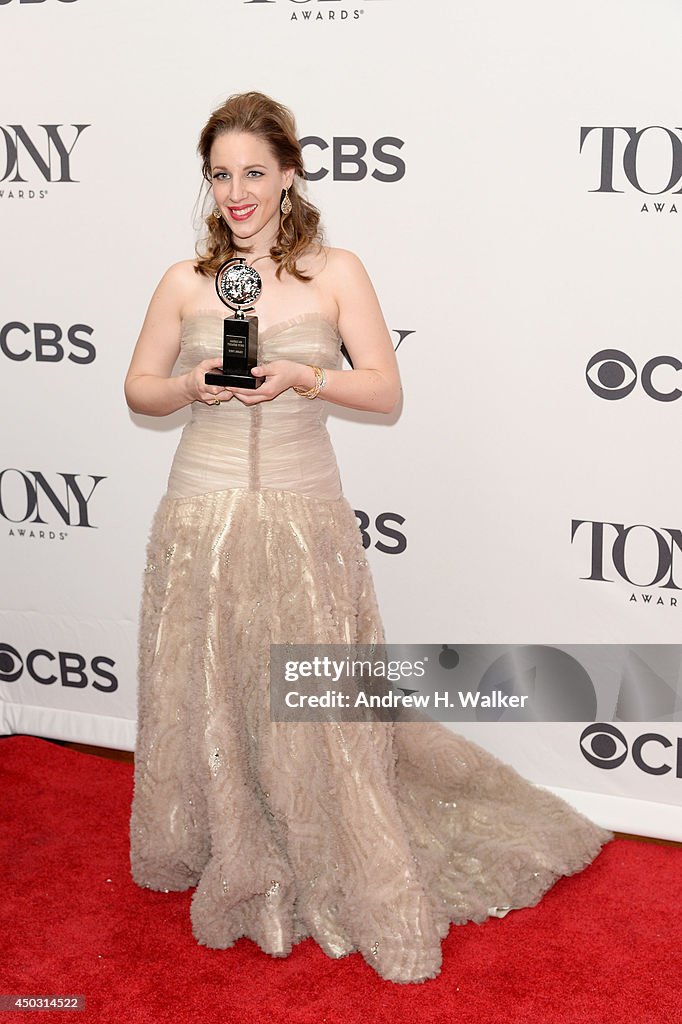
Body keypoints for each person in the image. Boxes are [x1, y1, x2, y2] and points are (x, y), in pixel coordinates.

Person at [125, 91, 611, 985]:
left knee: (311, 692)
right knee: (208, 688)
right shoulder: (184, 282)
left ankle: (325, 843)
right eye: (222, 174)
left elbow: (384, 392)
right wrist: (194, 380)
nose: (238, 192)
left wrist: (302, 375)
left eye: (255, 173)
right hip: (199, 513)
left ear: (290, 173)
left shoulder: (336, 271)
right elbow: (138, 393)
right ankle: (222, 837)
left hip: (305, 517)